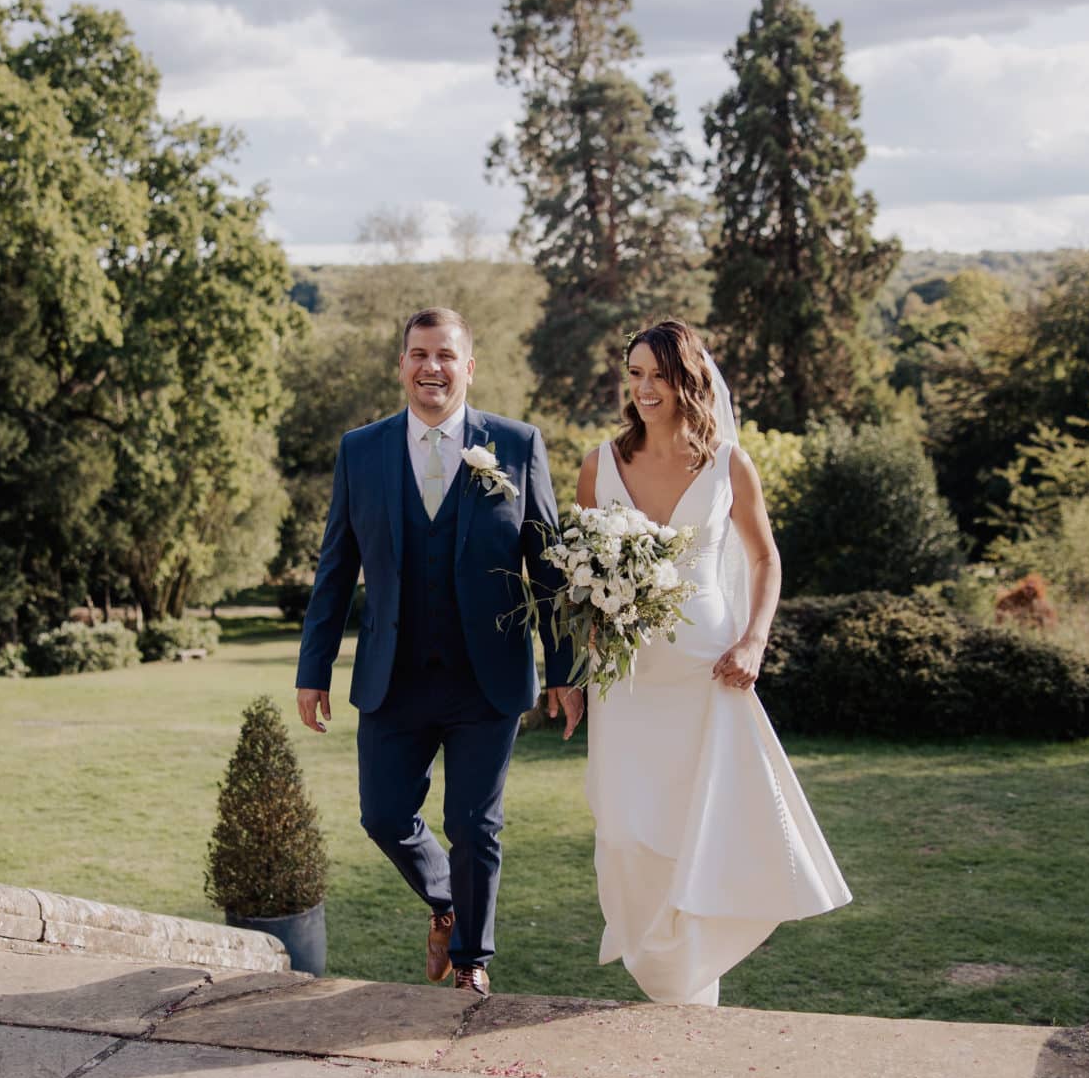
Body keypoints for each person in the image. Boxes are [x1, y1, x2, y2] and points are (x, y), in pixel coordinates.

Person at [294, 307, 581, 995]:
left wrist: (567, 670)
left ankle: (472, 964)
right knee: (383, 814)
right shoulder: (360, 450)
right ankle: (448, 904)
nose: (432, 368)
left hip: (489, 677)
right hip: (393, 676)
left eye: (446, 356)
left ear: (469, 366)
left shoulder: (516, 444)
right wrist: (314, 668)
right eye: (419, 354)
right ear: (401, 365)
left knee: (474, 823)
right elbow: (336, 567)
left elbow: (546, 568)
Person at [574, 319, 851, 1005]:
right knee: (628, 831)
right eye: (634, 373)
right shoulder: (597, 465)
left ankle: (694, 989)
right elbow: (580, 578)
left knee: (705, 825)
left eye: (658, 376)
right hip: (628, 683)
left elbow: (764, 558)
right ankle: (665, 972)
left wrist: (754, 639)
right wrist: (582, 661)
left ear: (687, 380)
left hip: (708, 671)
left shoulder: (729, 463)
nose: (643, 388)